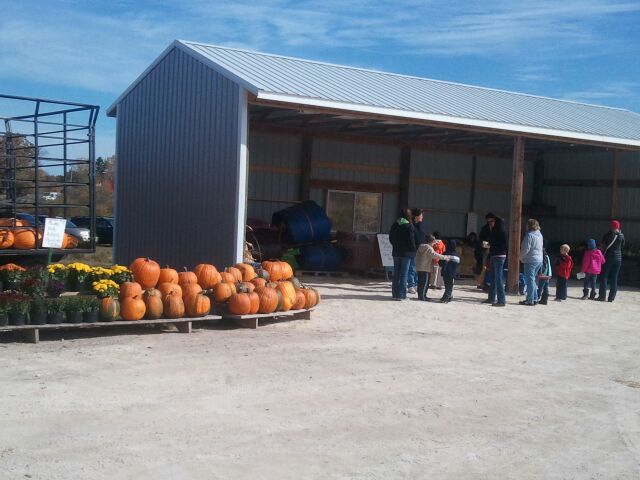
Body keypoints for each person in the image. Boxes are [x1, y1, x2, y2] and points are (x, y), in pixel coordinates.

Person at [389, 209, 417, 300]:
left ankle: (395, 294)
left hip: (396, 252)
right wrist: (414, 250)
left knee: (396, 273)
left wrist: (395, 245)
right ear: (408, 216)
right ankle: (402, 295)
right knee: (404, 274)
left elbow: (391, 238)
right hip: (407, 253)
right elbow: (411, 241)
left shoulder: (395, 225)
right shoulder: (409, 226)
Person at [415, 234, 449, 301]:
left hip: (419, 267)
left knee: (420, 283)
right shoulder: (429, 248)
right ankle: (423, 297)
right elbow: (434, 255)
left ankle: (420, 296)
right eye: (434, 241)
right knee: (425, 283)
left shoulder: (421, 246)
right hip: (426, 268)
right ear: (432, 241)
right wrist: (445, 257)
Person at [597, 220, 625, 302]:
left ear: (611, 226)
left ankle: (602, 296)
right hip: (618, 259)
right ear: (618, 227)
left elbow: (602, 246)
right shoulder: (622, 236)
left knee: (604, 276)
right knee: (614, 278)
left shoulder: (607, 235)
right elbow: (622, 246)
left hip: (608, 257)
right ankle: (611, 298)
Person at [519, 219, 544, 306]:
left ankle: (530, 300)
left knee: (529, 280)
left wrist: (520, 257)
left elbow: (525, 249)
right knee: (532, 280)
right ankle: (534, 298)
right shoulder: (539, 235)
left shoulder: (529, 235)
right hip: (539, 260)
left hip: (530, 260)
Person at [484, 216, 507, 307]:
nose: (490, 223)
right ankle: (491, 298)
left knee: (498, 279)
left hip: (499, 256)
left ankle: (501, 300)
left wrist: (492, 244)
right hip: (494, 255)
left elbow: (504, 246)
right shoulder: (494, 231)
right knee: (492, 277)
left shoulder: (502, 232)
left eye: (492, 221)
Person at [407, 208, 425, 294]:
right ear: (416, 216)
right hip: (413, 249)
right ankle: (411, 285)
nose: (422, 217)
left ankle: (416, 284)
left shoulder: (420, 225)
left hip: (420, 249)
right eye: (421, 215)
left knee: (417, 268)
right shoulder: (411, 225)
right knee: (412, 268)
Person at [476, 213, 496, 289]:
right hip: (486, 249)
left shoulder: (497, 229)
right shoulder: (485, 228)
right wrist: (484, 244)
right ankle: (482, 283)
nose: (489, 222)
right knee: (484, 267)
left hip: (494, 250)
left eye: (491, 220)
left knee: (492, 267)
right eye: (488, 220)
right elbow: (481, 238)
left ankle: (490, 283)